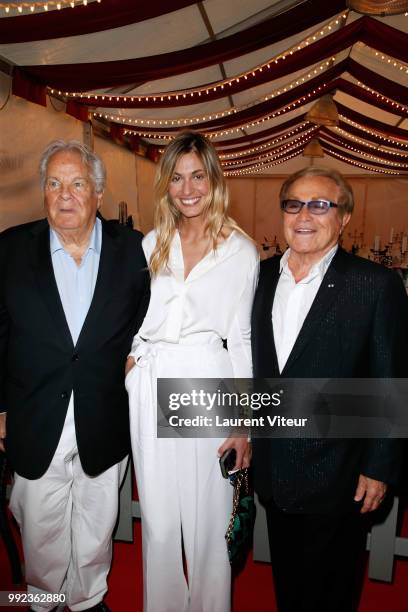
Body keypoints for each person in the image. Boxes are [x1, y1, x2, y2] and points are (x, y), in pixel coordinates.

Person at [0, 140, 148, 612]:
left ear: (99, 192)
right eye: (54, 183)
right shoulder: (9, 249)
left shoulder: (136, 252)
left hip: (104, 415)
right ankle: (44, 601)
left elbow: (150, 325)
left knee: (96, 522)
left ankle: (86, 600)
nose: (65, 195)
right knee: (39, 525)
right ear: (43, 192)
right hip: (33, 414)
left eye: (77, 183)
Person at [251, 166, 408, 612]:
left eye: (320, 204)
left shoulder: (374, 284)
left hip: (340, 475)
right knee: (289, 588)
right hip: (275, 469)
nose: (305, 215)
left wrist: (380, 466)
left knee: (331, 595)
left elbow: (392, 379)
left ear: (343, 219)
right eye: (294, 203)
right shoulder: (259, 278)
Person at [125, 131, 259, 612]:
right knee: (159, 521)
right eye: (177, 177)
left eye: (197, 176)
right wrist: (132, 362)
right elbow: (132, 319)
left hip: (207, 380)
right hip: (151, 378)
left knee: (208, 520)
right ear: (166, 184)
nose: (187, 189)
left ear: (214, 180)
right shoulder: (150, 245)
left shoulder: (240, 251)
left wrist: (244, 422)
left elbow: (241, 337)